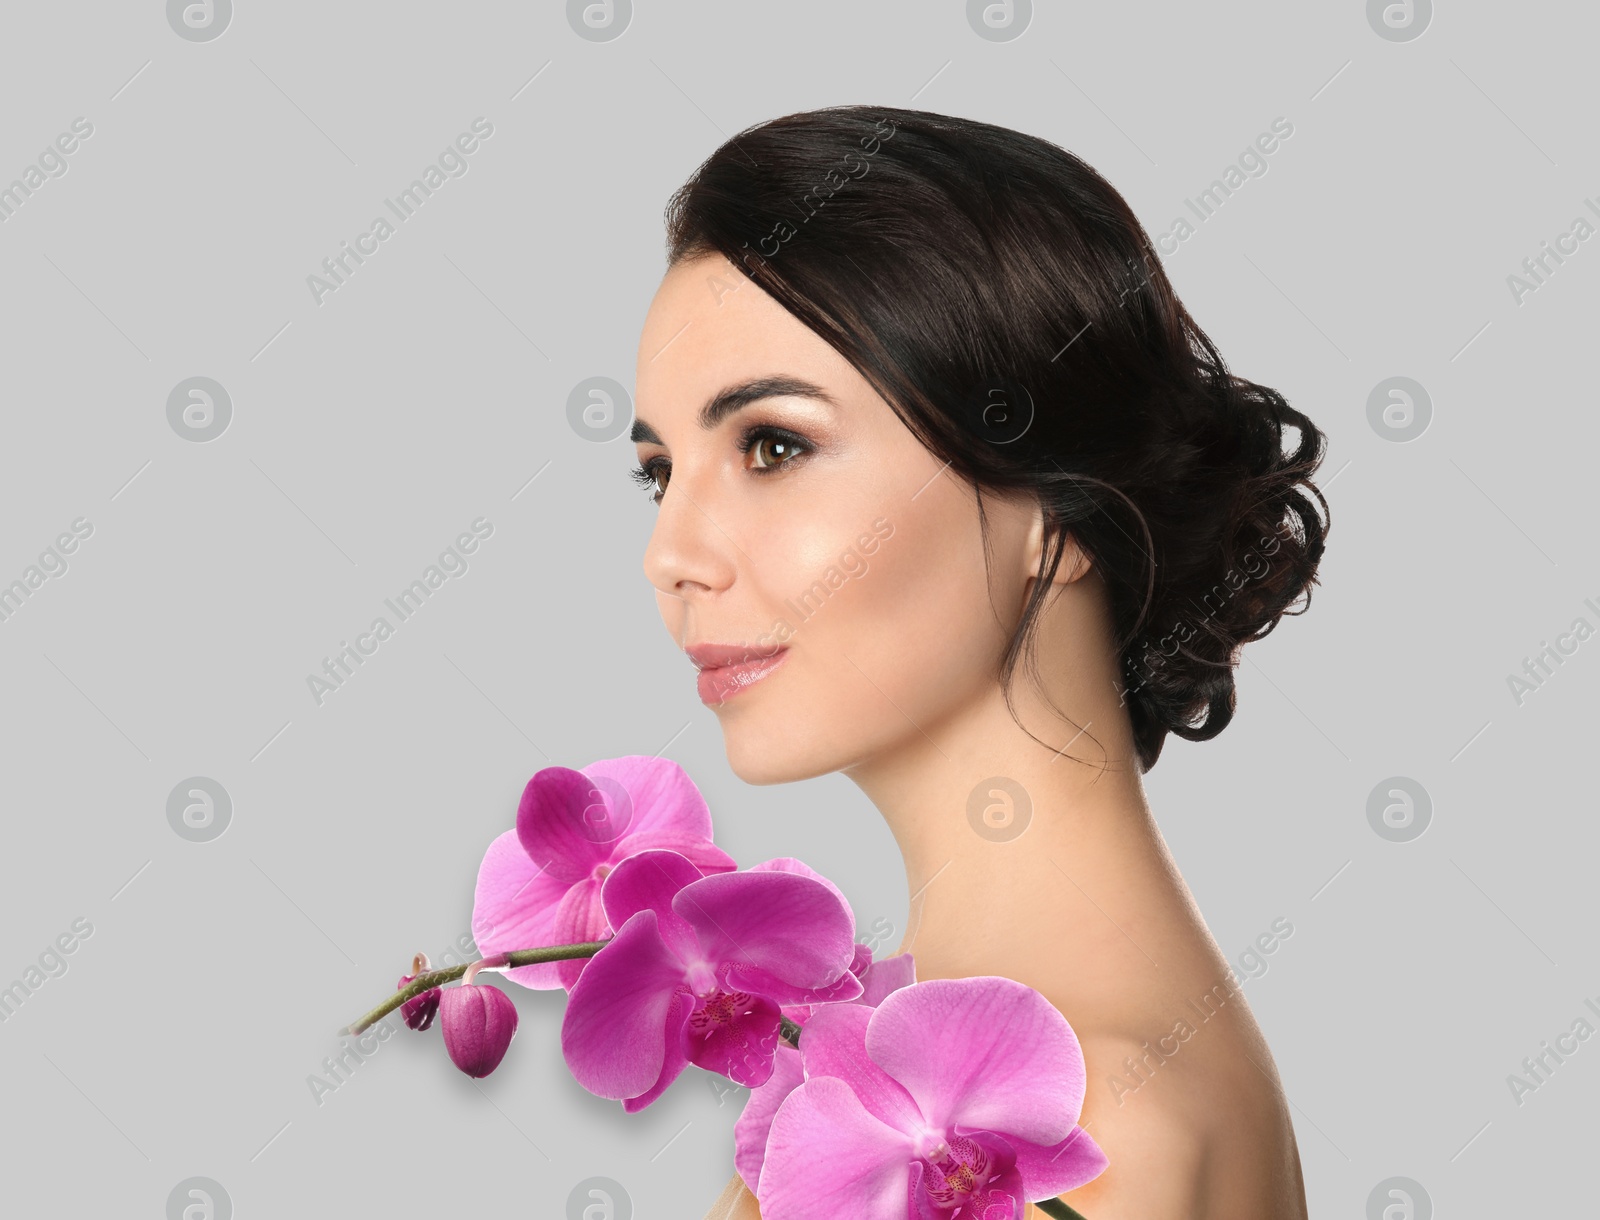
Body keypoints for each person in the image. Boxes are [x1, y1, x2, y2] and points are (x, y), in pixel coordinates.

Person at [626, 104, 1328, 1219]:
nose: (672, 555)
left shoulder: (1076, 1127)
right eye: (662, 471)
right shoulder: (996, 1061)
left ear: (1051, 512)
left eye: (771, 444)